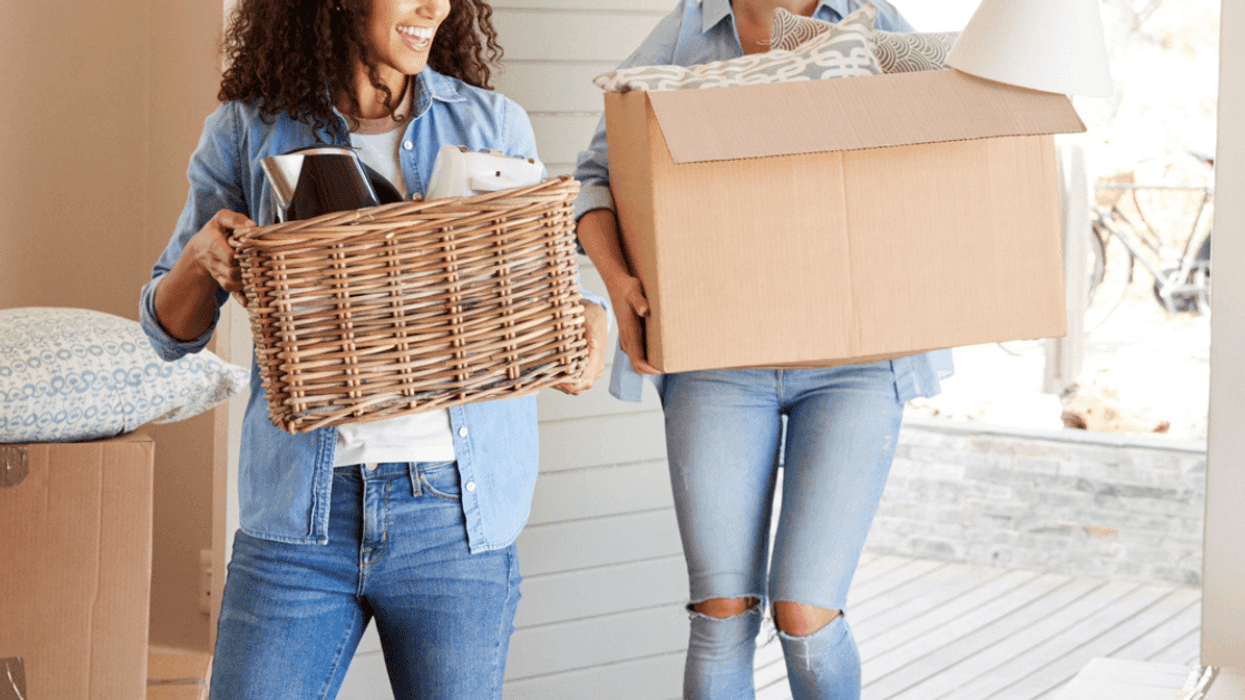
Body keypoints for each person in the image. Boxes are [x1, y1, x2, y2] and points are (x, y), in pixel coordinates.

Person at [139, 0, 607, 697]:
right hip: (298, 519)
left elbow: (536, 285)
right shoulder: (247, 129)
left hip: (452, 514)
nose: (434, 8)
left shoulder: (490, 122)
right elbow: (168, 334)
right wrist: (200, 259)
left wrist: (591, 318)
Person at [572, 1, 950, 698]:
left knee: (805, 612)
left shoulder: (867, 19)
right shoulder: (689, 30)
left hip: (854, 364)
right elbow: (597, 173)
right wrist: (619, 281)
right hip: (718, 364)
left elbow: (951, 126)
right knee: (720, 615)